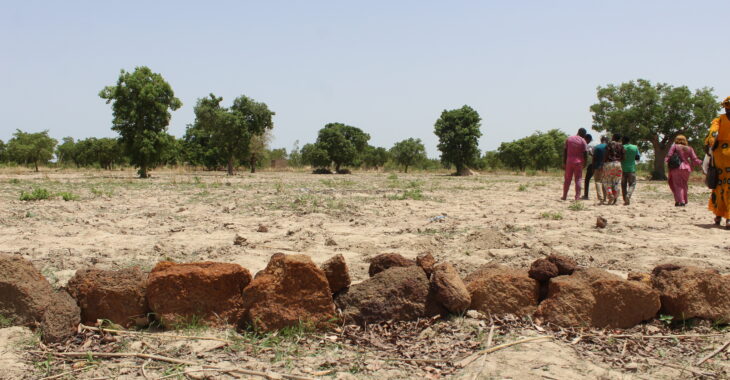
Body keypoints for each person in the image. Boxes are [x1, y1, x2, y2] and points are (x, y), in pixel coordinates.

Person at [705, 96, 730, 228]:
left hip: (720, 153)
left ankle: (718, 215)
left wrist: (710, 144)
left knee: (719, 185)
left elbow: (712, 134)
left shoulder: (719, 119)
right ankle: (728, 218)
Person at [665, 135, 702, 207]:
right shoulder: (689, 148)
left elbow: (669, 156)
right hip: (687, 168)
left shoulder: (675, 146)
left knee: (677, 185)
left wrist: (667, 161)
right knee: (684, 184)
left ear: (676, 140)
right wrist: (702, 163)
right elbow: (694, 159)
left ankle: (680, 201)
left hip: (676, 168)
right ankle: (683, 200)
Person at [562, 128, 588, 201]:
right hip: (578, 162)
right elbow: (585, 153)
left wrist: (564, 162)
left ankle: (564, 196)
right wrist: (585, 163)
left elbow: (565, 151)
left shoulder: (569, 139)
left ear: (578, 132)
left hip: (569, 161)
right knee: (578, 179)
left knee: (567, 179)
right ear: (584, 134)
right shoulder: (583, 141)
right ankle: (577, 197)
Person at [602, 133, 625, 205]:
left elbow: (606, 154)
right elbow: (624, 157)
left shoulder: (609, 144)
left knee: (607, 182)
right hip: (618, 164)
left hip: (609, 164)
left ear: (613, 137)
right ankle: (615, 198)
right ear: (620, 139)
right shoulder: (621, 146)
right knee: (616, 182)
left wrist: (604, 163)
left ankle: (610, 194)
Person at [621, 136, 641, 205]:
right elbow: (637, 157)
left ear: (623, 140)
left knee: (623, 185)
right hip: (631, 169)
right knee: (632, 184)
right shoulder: (635, 147)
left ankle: (625, 199)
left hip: (622, 169)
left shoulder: (621, 147)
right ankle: (628, 195)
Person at [592, 136, 608, 203]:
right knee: (604, 182)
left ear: (601, 140)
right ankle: (605, 198)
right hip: (606, 166)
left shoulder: (597, 147)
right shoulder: (608, 147)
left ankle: (600, 197)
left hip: (597, 166)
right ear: (607, 140)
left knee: (598, 181)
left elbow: (594, 157)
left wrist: (593, 166)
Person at [581, 134, 594, 200]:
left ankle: (586, 195)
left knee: (587, 179)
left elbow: (590, 152)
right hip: (601, 163)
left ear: (587, 139)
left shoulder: (589, 145)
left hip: (592, 164)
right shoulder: (597, 142)